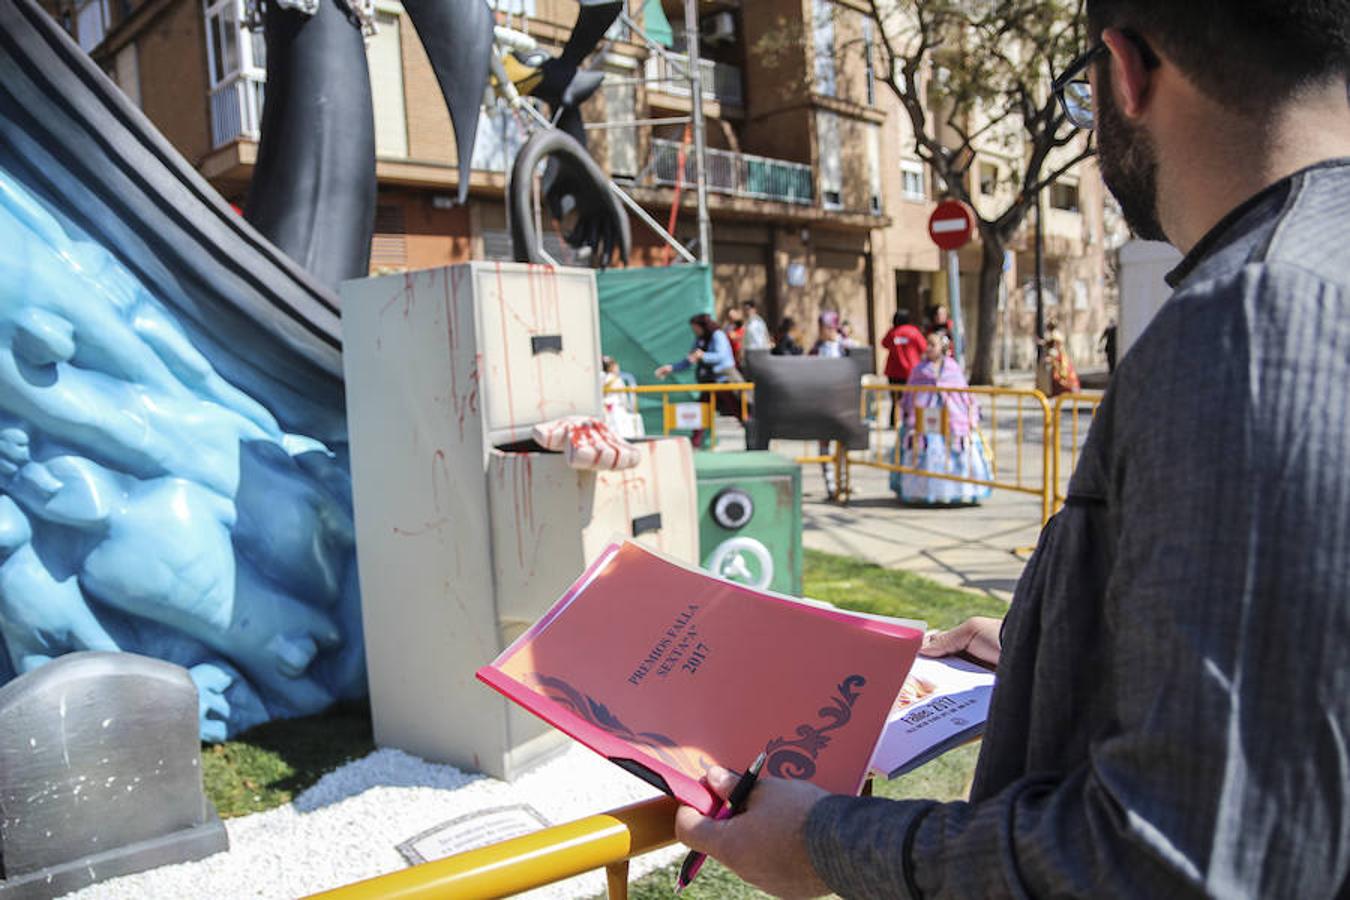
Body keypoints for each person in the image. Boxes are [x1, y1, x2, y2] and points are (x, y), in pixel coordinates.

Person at [675, 1, 1350, 896]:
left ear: (1125, 71)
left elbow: (1166, 860)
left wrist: (823, 841)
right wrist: (1053, 643)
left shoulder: (1252, 320)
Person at [890, 334, 992, 505]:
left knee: (957, 446)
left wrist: (967, 412)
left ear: (942, 348)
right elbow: (909, 394)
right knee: (923, 447)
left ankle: (959, 491)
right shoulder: (919, 370)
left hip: (952, 417)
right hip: (925, 417)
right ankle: (922, 492)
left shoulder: (952, 368)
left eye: (932, 344)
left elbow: (963, 394)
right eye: (927, 344)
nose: (928, 348)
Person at [655, 313, 741, 447]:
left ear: (703, 326)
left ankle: (753, 434)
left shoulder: (717, 335)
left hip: (723, 381)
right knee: (701, 411)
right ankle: (695, 443)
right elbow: (690, 359)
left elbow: (721, 356)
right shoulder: (699, 339)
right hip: (708, 383)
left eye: (696, 328)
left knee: (737, 409)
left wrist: (703, 355)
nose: (695, 331)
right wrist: (671, 368)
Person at [880, 310, 928, 428]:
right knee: (910, 398)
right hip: (910, 371)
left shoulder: (892, 333)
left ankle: (893, 422)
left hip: (893, 371)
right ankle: (908, 421)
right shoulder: (913, 332)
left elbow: (884, 344)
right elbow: (923, 347)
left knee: (895, 399)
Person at [1041, 316, 1082, 395]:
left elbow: (1054, 346)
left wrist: (1051, 357)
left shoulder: (1055, 335)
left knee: (1060, 374)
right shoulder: (1055, 334)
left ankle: (1066, 390)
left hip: (1059, 358)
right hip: (1059, 357)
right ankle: (1058, 391)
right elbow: (1049, 343)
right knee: (1057, 375)